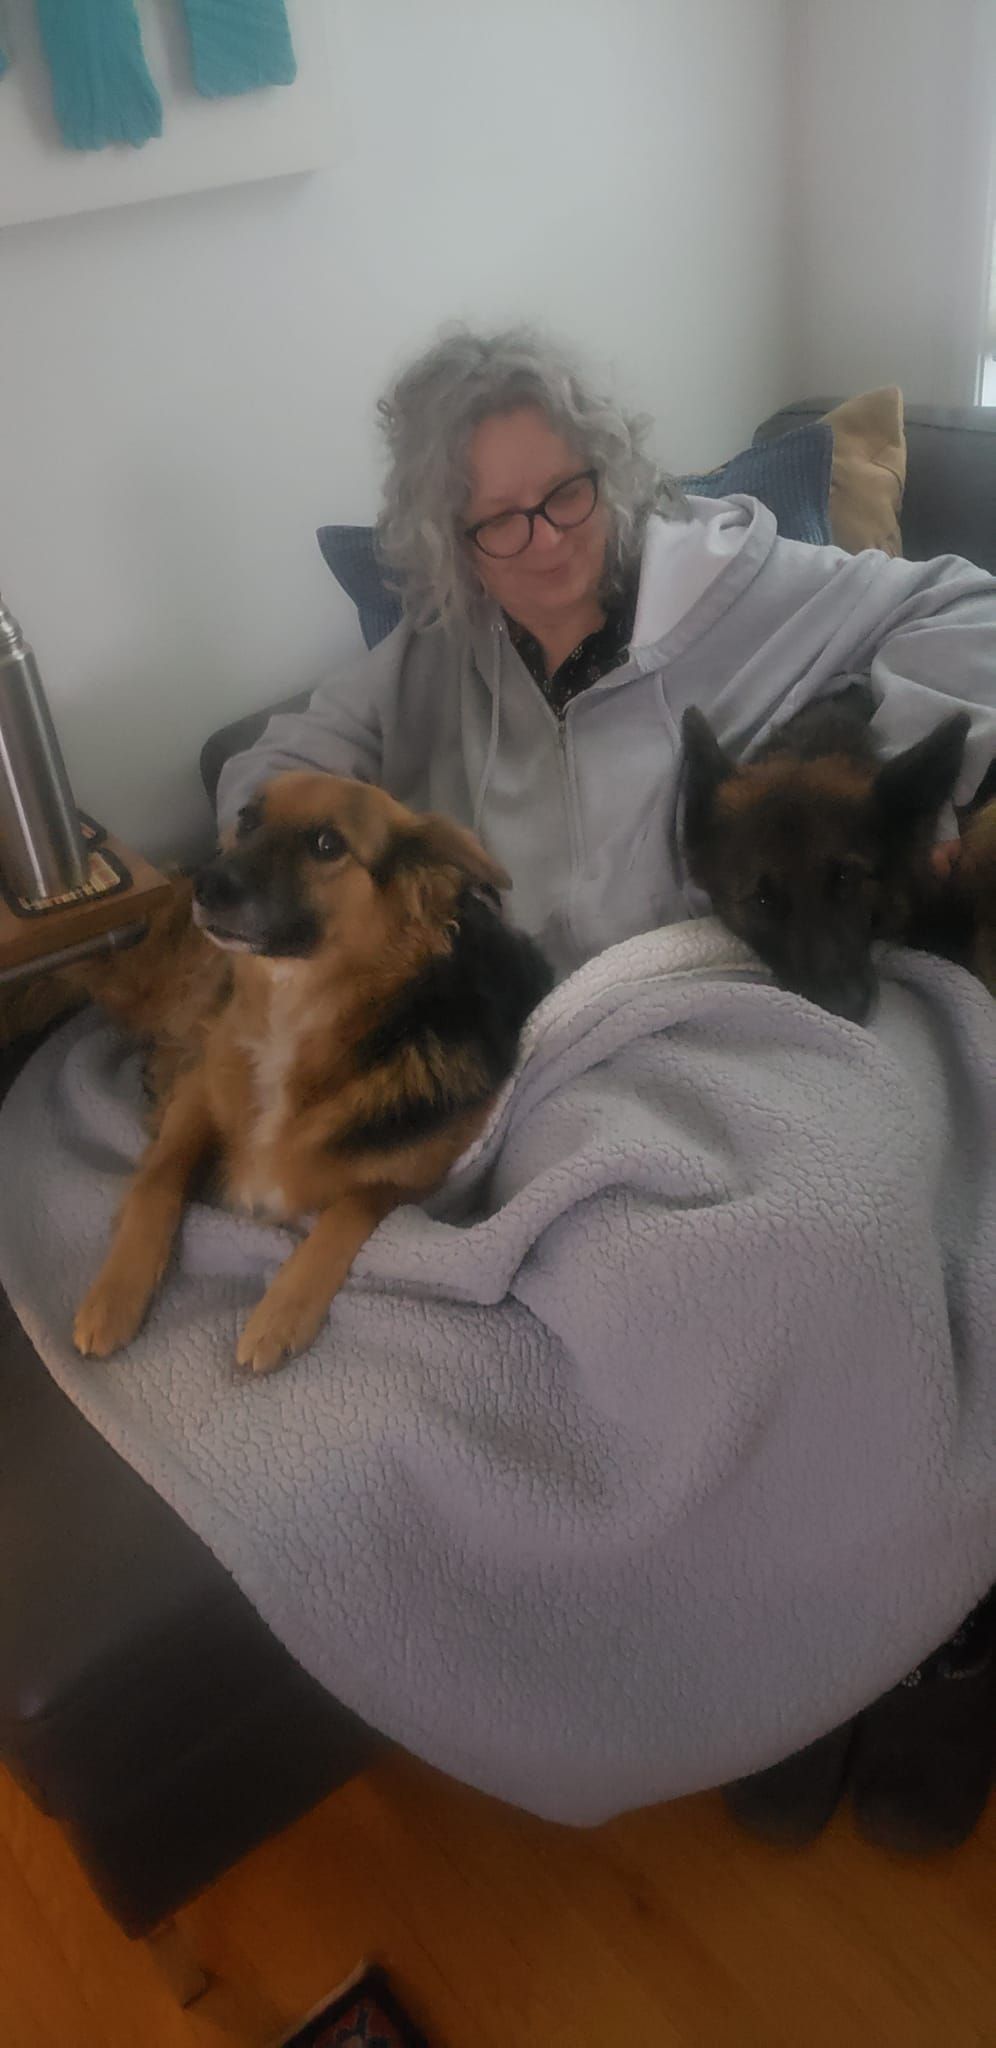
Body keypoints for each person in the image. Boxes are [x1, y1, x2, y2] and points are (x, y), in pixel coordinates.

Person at [218, 327, 996, 1850]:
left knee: (819, 1239)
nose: (544, 542)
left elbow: (975, 613)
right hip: (560, 1045)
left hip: (769, 984)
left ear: (609, 473)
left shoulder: (745, 583)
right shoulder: (432, 658)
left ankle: (933, 1634)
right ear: (451, 542)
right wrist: (302, 839)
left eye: (564, 495)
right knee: (618, 1289)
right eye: (498, 521)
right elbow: (281, 757)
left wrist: (877, 768)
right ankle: (796, 1661)